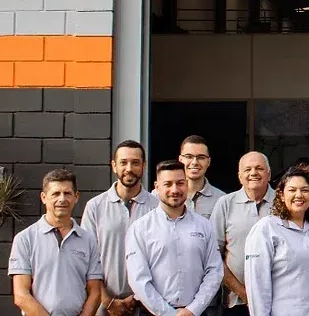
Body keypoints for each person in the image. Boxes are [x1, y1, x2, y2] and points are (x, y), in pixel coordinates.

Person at [125, 160, 224, 316]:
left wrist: (193, 310)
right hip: (154, 313)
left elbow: (214, 271)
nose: (175, 190)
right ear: (157, 187)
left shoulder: (204, 226)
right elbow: (138, 279)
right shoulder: (140, 229)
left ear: (187, 185)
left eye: (180, 183)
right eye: (168, 184)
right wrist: (168, 313)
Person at [244, 165, 309, 316]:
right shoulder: (266, 229)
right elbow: (257, 284)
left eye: (305, 190)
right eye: (292, 190)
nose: (299, 195)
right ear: (281, 195)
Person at [9, 169, 104, 316]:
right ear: (43, 197)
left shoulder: (88, 240)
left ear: (76, 197)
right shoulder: (25, 239)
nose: (62, 199)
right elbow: (21, 295)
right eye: (55, 194)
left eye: (67, 193)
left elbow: (95, 292)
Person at [82, 140, 159, 316]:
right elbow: (87, 259)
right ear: (114, 165)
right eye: (123, 162)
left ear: (144, 166)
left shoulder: (157, 208)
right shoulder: (95, 207)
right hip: (103, 307)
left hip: (147, 306)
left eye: (135, 163)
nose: (129, 168)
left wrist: (137, 298)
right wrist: (108, 302)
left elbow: (161, 259)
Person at [211, 151, 276, 315]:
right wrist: (243, 292)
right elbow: (213, 255)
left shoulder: (283, 203)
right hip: (236, 302)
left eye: (259, 168)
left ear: (269, 174)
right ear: (240, 176)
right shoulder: (225, 204)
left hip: (278, 300)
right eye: (248, 169)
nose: (253, 173)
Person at [177, 135, 227, 219]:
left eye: (201, 157)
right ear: (180, 159)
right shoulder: (162, 195)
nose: (194, 162)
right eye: (189, 157)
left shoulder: (222, 199)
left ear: (208, 162)